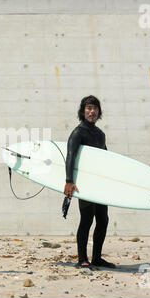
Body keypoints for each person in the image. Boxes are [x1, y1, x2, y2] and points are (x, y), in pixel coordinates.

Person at [64, 95, 116, 269]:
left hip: (99, 184)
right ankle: (82, 259)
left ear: (99, 112)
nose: (92, 111)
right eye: (88, 108)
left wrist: (110, 180)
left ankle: (97, 258)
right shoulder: (78, 132)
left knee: (103, 220)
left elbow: (105, 159)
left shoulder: (100, 134)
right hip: (84, 184)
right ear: (82, 111)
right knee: (86, 219)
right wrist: (69, 181)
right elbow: (70, 156)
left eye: (95, 108)